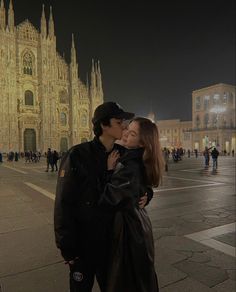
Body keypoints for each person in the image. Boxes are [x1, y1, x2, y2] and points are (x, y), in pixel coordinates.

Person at [54, 102, 152, 292]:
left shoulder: (124, 155)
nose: (124, 126)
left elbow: (139, 183)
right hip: (84, 245)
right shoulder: (78, 155)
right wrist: (67, 247)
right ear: (104, 126)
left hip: (113, 244)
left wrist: (148, 193)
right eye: (118, 122)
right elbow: (63, 203)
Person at [99, 117, 164, 292]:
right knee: (139, 280)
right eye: (128, 128)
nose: (126, 133)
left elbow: (108, 200)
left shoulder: (131, 166)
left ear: (142, 143)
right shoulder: (134, 157)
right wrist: (147, 193)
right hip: (137, 225)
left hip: (128, 232)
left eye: (132, 133)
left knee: (127, 281)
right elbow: (142, 185)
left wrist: (108, 171)